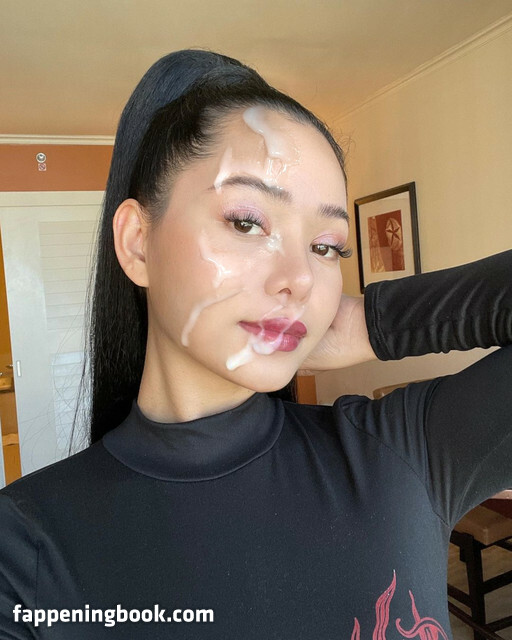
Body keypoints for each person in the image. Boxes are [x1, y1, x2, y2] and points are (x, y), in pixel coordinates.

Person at [0, 49, 510, 640]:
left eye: (326, 247)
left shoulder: (402, 454)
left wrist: (368, 323)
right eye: (247, 222)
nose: (301, 278)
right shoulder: (25, 551)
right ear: (138, 243)